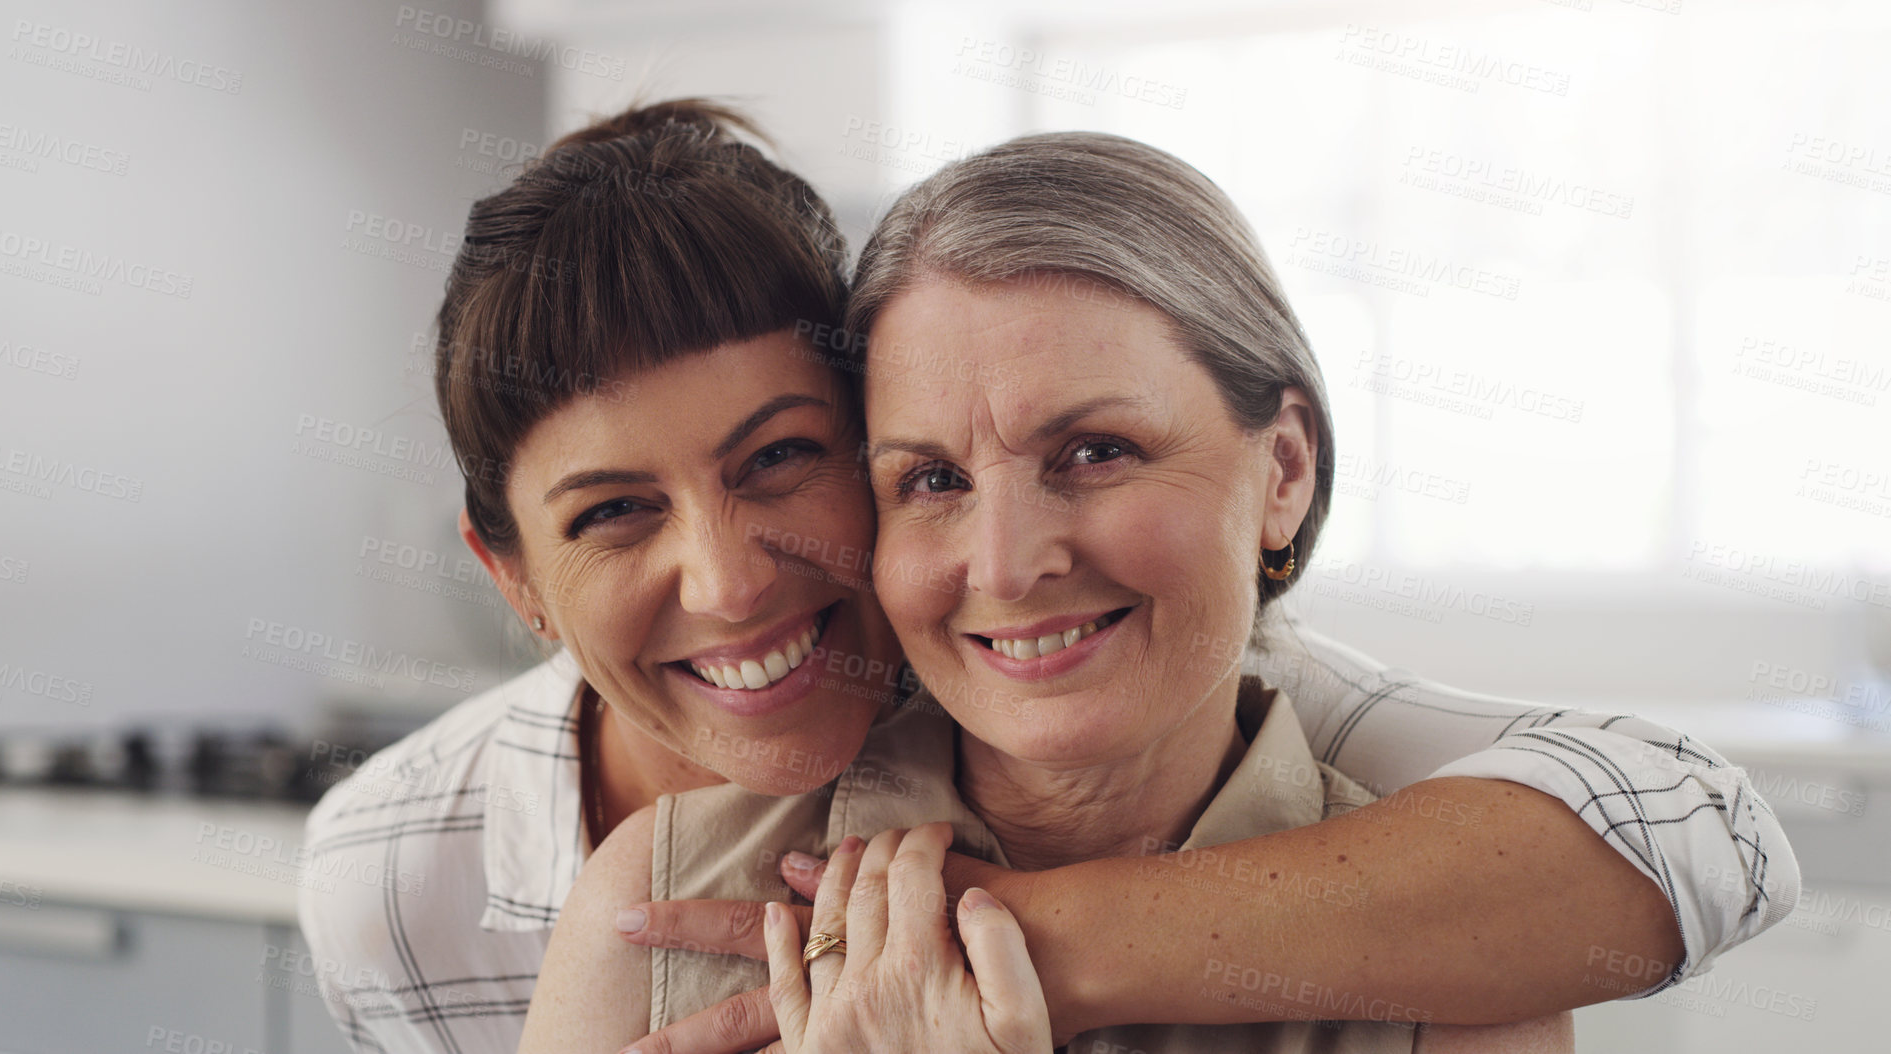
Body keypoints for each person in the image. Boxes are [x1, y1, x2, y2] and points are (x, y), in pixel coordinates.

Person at [299, 101, 1794, 1054]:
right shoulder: (631, 894)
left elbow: (1704, 828)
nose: (1008, 561)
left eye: (1091, 450)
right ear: (513, 578)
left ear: (1282, 471)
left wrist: (1020, 940)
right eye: (932, 476)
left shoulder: (1436, 921)